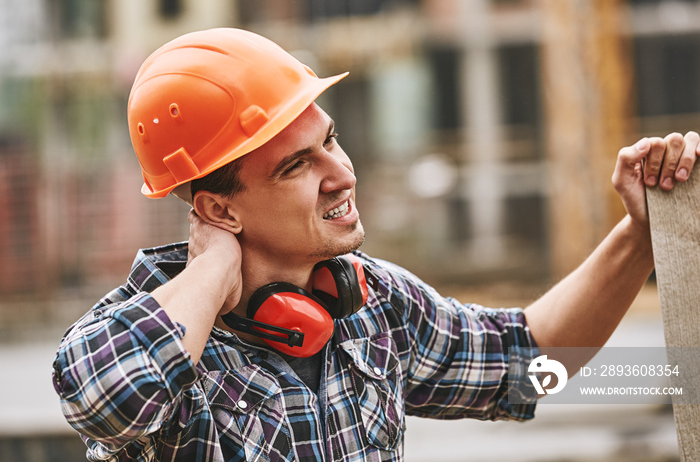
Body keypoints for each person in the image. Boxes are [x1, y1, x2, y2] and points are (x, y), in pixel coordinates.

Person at [52, 28, 699, 461]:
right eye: (296, 165)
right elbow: (110, 398)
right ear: (218, 208)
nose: (342, 174)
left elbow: (524, 364)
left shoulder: (371, 303)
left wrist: (642, 235)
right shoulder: (145, 337)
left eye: (329, 141)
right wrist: (215, 267)